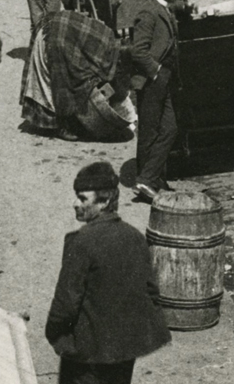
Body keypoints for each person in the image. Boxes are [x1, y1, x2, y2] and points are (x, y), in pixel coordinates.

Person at [45, 160, 171, 384]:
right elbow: (150, 291)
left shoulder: (82, 243)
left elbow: (65, 304)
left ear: (104, 202)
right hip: (123, 351)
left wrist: (56, 336)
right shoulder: (135, 237)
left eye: (83, 198)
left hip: (87, 354)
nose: (75, 203)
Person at [114, 0, 183, 199]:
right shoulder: (148, 12)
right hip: (151, 80)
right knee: (150, 132)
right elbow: (138, 51)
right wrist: (155, 72)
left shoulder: (162, 8)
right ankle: (146, 180)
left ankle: (148, 179)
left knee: (169, 128)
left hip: (162, 78)